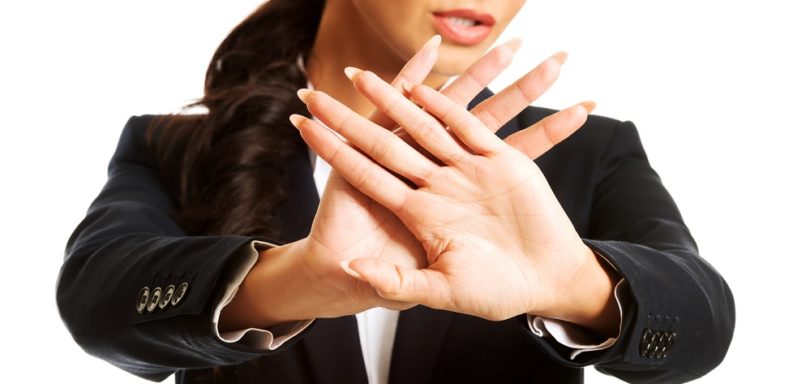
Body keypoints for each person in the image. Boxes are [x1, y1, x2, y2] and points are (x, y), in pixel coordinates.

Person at [56, 0, 735, 383]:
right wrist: (292, 281)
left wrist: (579, 289)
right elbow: (98, 305)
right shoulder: (174, 147)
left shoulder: (584, 150)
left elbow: (703, 323)